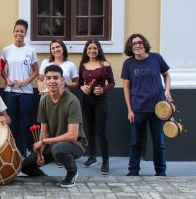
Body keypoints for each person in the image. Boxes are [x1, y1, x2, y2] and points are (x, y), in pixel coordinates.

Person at [21, 65, 87, 188]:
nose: (52, 81)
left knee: (58, 148)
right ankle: (47, 179)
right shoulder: (44, 101)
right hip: (53, 144)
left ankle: (72, 172)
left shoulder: (72, 101)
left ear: (62, 81)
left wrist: (43, 141)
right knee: (25, 166)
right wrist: (40, 155)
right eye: (49, 78)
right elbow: (45, 132)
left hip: (75, 144)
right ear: (44, 81)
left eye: (56, 78)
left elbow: (72, 136)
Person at [121, 33, 172, 176]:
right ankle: (133, 171)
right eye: (134, 44)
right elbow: (126, 88)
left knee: (159, 144)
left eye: (139, 42)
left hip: (159, 109)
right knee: (135, 143)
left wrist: (167, 90)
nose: (137, 45)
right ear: (130, 48)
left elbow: (167, 75)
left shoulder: (156, 58)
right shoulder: (128, 63)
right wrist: (129, 110)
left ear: (144, 44)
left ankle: (161, 172)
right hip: (138, 109)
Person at [1, 19, 38, 157]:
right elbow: (1, 68)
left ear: (25, 33)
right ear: (13, 32)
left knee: (26, 122)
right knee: (11, 122)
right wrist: (7, 79)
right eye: (17, 31)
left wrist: (25, 81)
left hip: (26, 92)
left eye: (22, 31)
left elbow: (35, 70)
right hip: (10, 92)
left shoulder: (30, 50)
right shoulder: (7, 50)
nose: (19, 33)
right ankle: (11, 149)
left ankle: (26, 149)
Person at [79, 39, 115, 174]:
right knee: (90, 130)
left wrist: (103, 89)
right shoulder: (83, 64)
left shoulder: (105, 64)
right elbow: (79, 82)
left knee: (101, 131)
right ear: (86, 50)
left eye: (95, 48)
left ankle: (105, 161)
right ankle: (92, 157)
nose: (92, 51)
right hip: (87, 100)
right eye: (89, 48)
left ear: (98, 49)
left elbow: (112, 82)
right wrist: (82, 87)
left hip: (101, 101)